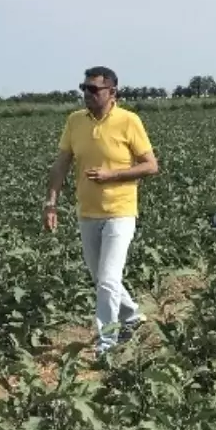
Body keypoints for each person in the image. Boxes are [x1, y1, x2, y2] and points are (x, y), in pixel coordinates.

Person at [43, 67, 159, 355]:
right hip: (88, 212)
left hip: (120, 211)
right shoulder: (75, 121)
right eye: (84, 88)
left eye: (94, 89)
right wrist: (51, 202)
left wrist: (113, 175)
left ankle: (107, 343)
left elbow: (150, 165)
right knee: (101, 279)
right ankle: (131, 317)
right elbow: (61, 164)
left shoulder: (129, 121)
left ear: (112, 92)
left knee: (108, 279)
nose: (87, 94)